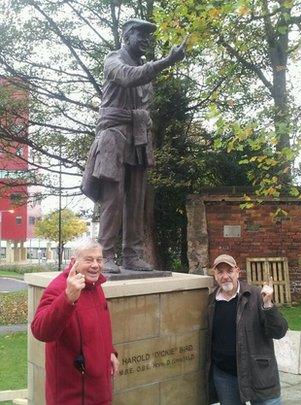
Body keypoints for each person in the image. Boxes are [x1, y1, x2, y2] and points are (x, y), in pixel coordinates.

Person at [81, 19, 186, 273]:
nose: (146, 41)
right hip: (114, 135)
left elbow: (144, 103)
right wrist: (166, 61)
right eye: (141, 36)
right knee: (113, 198)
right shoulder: (113, 60)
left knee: (136, 200)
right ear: (127, 36)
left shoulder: (145, 72)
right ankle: (104, 254)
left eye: (149, 38)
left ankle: (132, 255)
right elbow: (129, 78)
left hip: (138, 137)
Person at [31, 239, 119, 405]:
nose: (95, 265)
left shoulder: (95, 285)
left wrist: (109, 351)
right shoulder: (59, 287)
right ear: (74, 262)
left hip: (99, 388)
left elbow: (101, 328)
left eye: (99, 260)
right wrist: (67, 299)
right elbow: (40, 331)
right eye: (88, 260)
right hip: (73, 393)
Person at [206, 254, 288, 405]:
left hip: (259, 373)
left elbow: (279, 332)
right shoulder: (211, 301)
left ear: (237, 271)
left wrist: (268, 305)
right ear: (214, 274)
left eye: (229, 271)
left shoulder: (256, 295)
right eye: (220, 272)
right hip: (225, 375)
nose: (225, 276)